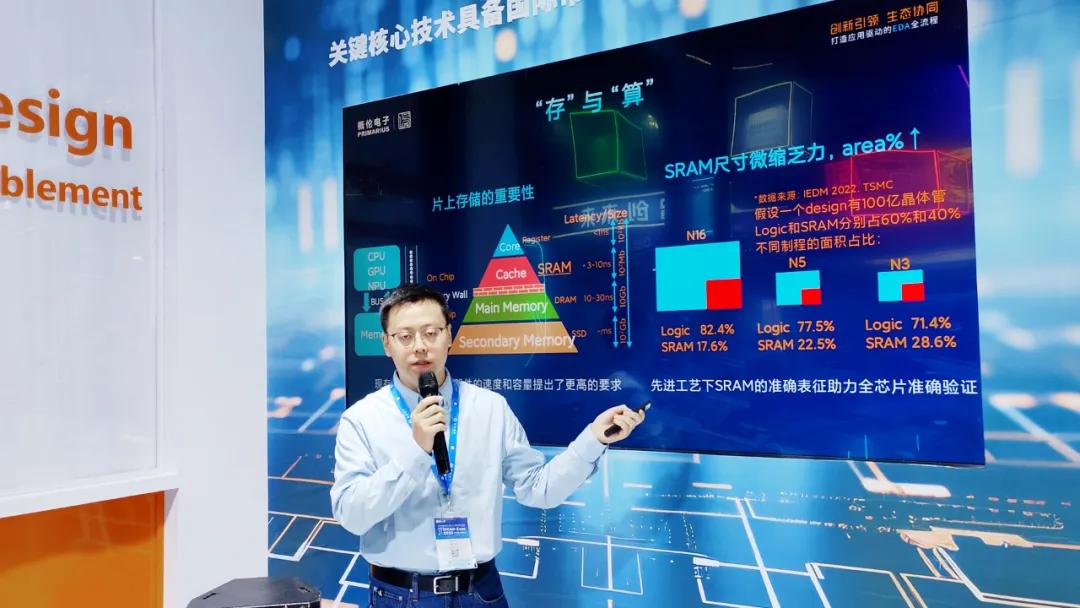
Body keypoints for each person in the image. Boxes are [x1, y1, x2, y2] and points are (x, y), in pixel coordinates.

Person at [331, 283, 645, 608]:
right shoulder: (362, 419)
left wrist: (593, 439)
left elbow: (539, 489)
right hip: (401, 595)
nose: (420, 347)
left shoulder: (490, 407)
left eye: (431, 333)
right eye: (405, 336)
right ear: (387, 344)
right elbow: (352, 516)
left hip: (480, 592)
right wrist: (416, 452)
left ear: (449, 335)